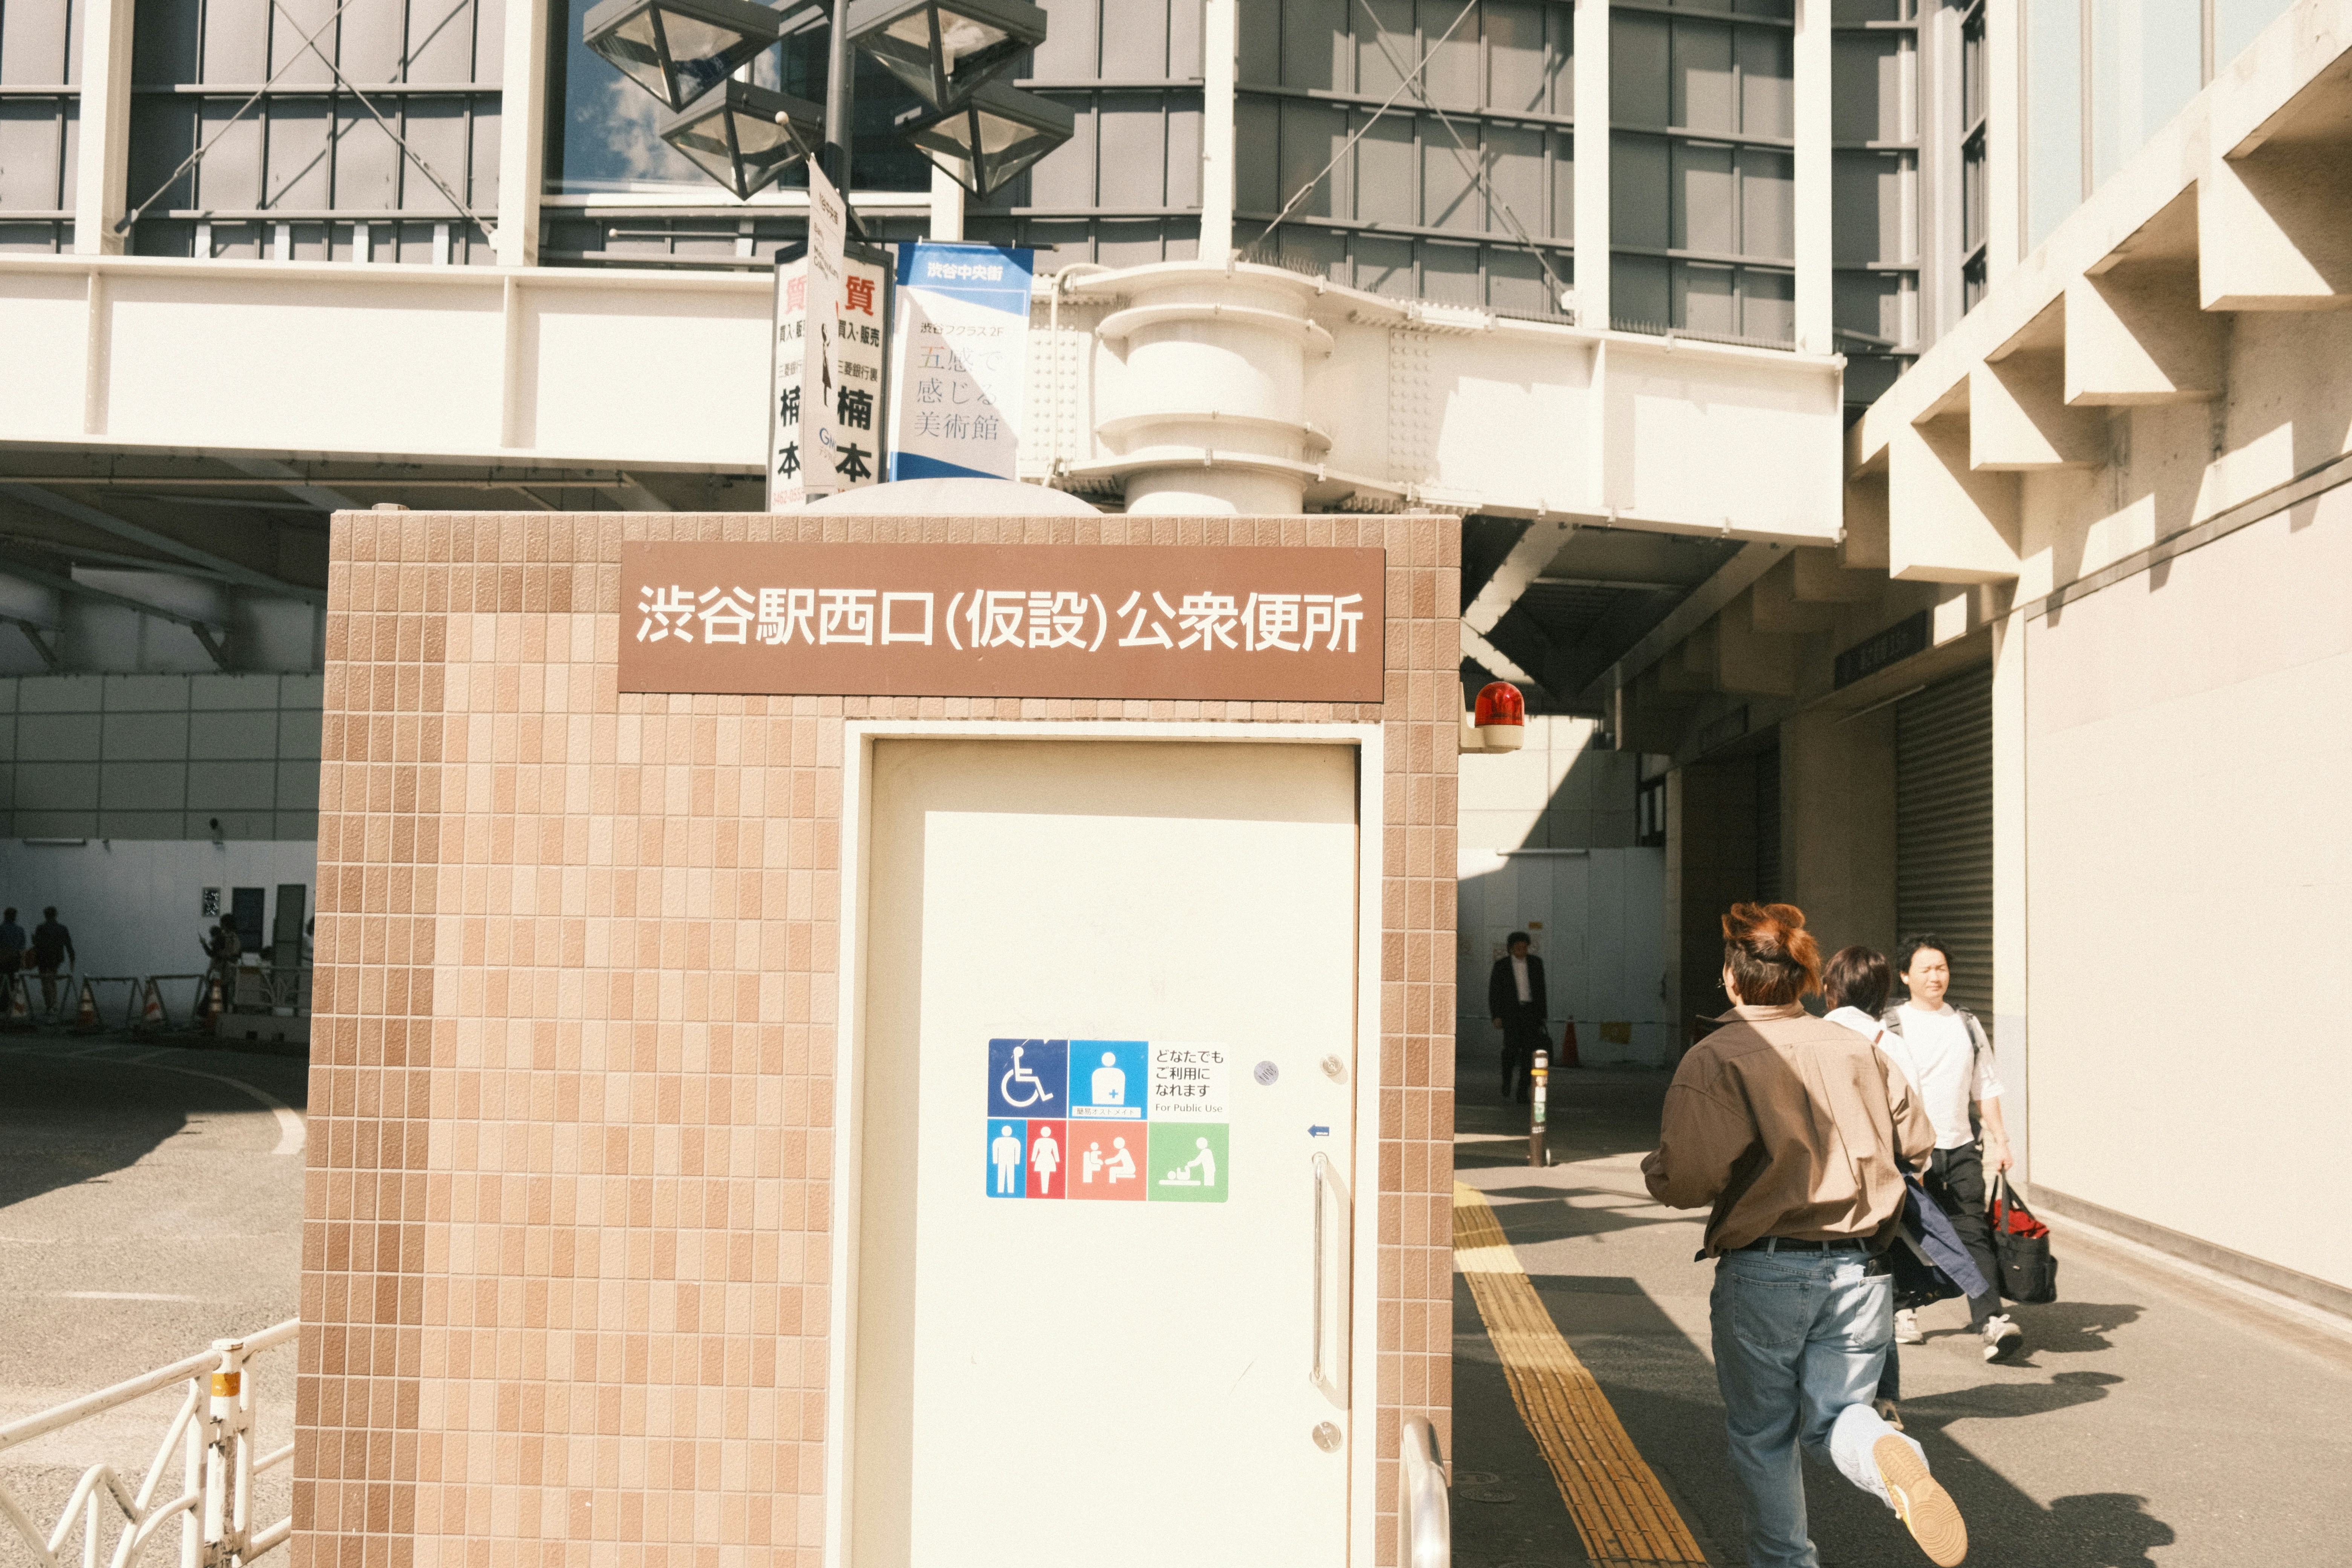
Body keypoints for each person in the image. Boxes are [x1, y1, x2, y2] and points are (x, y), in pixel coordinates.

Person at [1643, 903, 1963, 1568]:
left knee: (1764, 1437)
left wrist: (1661, 1169)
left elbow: (1688, 1180)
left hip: (1766, 1268)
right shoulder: (1858, 1048)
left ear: (1733, 978)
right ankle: (1883, 1452)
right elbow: (1920, 1141)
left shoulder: (1718, 1057)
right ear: (1804, 981)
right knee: (1839, 1416)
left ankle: (1789, 1564)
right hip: (1861, 1269)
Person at [1882, 934, 2023, 1363]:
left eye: (1941, 967)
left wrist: (2000, 1139)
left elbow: (1986, 1084)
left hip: (1960, 1144)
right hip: (1908, 1149)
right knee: (1904, 1234)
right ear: (1906, 975)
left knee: (1972, 1232)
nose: (1935, 976)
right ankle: (1903, 1307)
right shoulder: (1891, 1024)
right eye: (1925, 969)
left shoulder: (1965, 1021)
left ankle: (1991, 1319)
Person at [1822, 944, 1909, 1430]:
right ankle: (1884, 1396)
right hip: (1877, 1189)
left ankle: (1818, 1387)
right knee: (1876, 1284)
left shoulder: (1810, 1037)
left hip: (1818, 1181)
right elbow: (1917, 1131)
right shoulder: (1890, 1043)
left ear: (1831, 988)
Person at [1486, 931, 1549, 1102]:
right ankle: (1507, 1081)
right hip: (1511, 1014)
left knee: (1529, 1053)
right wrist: (1496, 1016)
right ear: (1510, 949)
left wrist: (1543, 1014)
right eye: (1518, 947)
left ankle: (1523, 1090)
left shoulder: (1536, 964)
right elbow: (1495, 993)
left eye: (1525, 947)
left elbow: (1541, 990)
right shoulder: (1501, 966)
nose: (1522, 950)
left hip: (1531, 1013)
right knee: (1511, 1051)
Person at [31, 906, 73, 1014]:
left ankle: (50, 1005)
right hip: (57, 959)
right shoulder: (62, 928)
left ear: (45, 915)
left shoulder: (41, 928)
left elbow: (38, 944)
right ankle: (54, 1004)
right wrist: (72, 958)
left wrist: (34, 940)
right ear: (56, 915)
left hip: (43, 959)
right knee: (52, 980)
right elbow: (68, 945)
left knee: (46, 982)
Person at [0, 907, 24, 1009]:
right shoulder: (20, 930)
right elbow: (22, 947)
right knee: (13, 981)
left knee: (2, 981)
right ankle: (13, 1004)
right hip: (15, 960)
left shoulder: (1, 929)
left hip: (2, 959)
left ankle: (4, 1003)